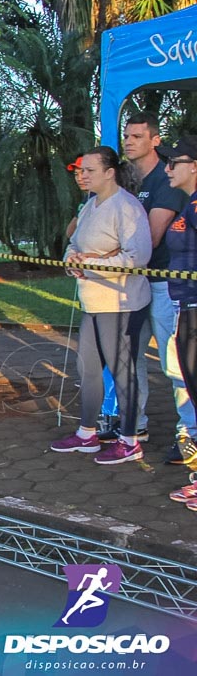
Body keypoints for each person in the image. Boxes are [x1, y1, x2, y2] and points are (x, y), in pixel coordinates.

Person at [50, 146, 152, 465]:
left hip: (121, 303)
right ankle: (87, 433)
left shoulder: (127, 207)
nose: (83, 175)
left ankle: (130, 439)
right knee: (88, 368)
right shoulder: (90, 205)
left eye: (90, 170)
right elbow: (74, 244)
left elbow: (137, 257)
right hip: (91, 302)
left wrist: (91, 263)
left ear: (110, 173)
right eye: (81, 170)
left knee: (123, 371)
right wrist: (72, 261)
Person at [120, 113, 194, 463]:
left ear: (155, 140)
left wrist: (105, 257)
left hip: (167, 287)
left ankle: (188, 436)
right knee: (130, 357)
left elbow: (149, 239)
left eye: (137, 135)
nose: (129, 141)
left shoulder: (167, 184)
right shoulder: (131, 180)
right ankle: (133, 426)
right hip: (139, 284)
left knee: (175, 363)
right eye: (127, 135)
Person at [160, 134, 197, 467]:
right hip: (184, 305)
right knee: (185, 379)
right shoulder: (189, 202)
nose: (168, 168)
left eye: (175, 162)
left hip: (195, 309)